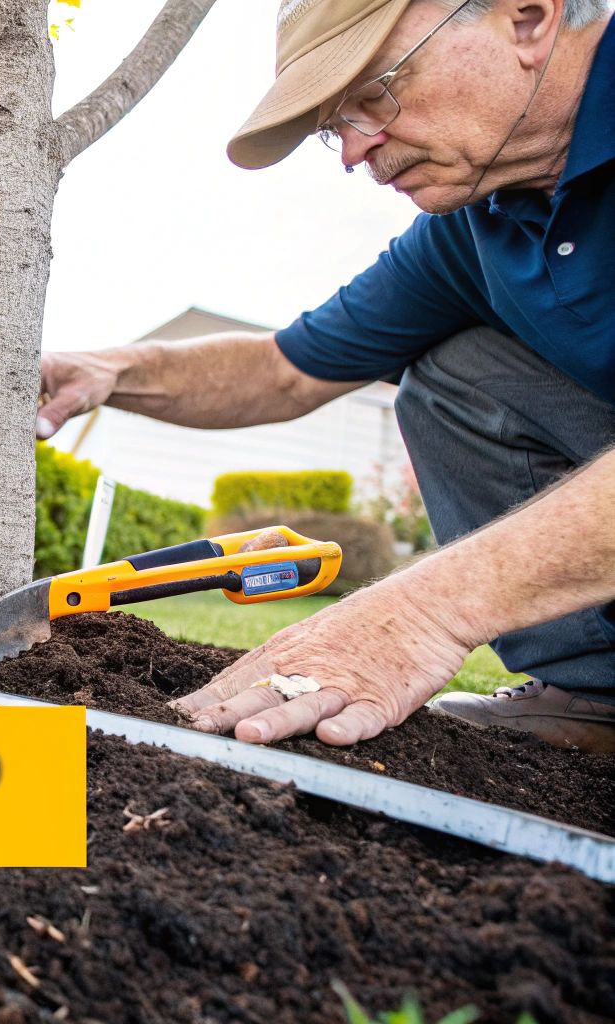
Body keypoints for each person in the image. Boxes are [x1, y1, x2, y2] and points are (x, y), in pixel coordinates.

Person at [36, 0, 615, 752]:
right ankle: (596, 700)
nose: (351, 152)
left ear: (528, 19)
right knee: (459, 373)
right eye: (331, 127)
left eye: (373, 94)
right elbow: (285, 368)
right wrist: (112, 371)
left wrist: (421, 613)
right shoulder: (480, 227)